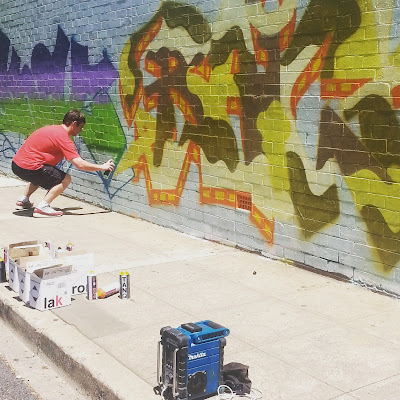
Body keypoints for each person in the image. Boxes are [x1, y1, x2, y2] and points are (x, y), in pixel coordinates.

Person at [11, 109, 114, 217]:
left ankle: (23, 200)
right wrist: (102, 167)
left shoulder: (52, 129)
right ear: (74, 124)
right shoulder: (63, 138)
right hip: (29, 167)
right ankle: (43, 207)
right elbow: (80, 164)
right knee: (65, 179)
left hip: (17, 165)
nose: (80, 130)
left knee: (43, 173)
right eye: (81, 127)